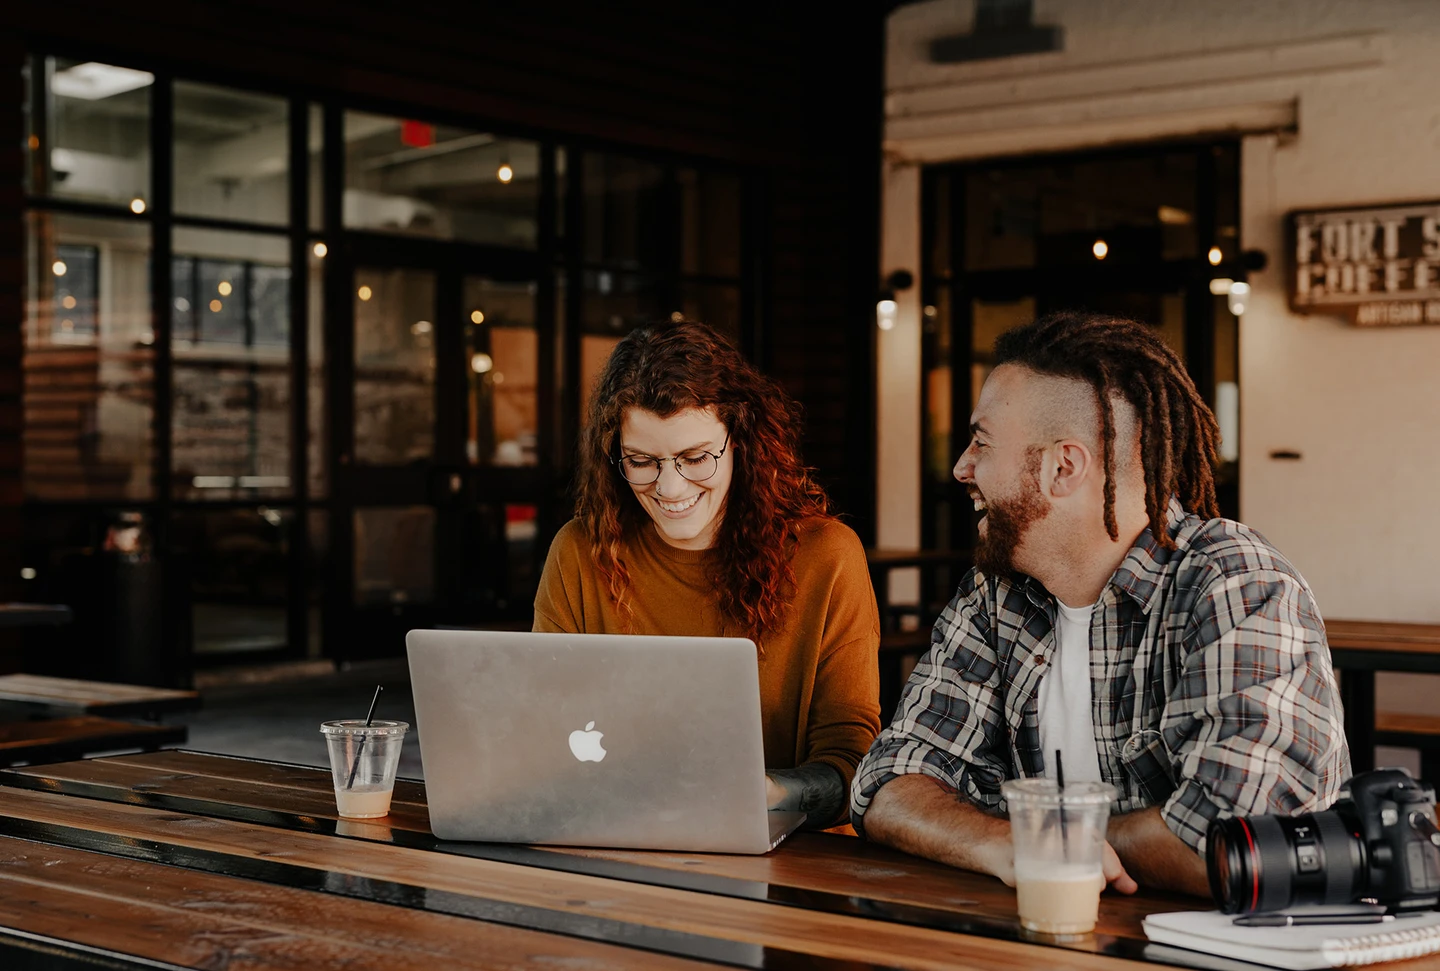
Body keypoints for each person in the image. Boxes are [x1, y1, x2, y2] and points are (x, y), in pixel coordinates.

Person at [850, 311, 1350, 896]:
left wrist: (1044, 841)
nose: (962, 466)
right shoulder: (996, 595)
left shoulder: (1236, 584)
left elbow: (1235, 839)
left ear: (1063, 467)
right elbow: (889, 782)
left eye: (981, 442)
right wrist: (1000, 843)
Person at [534, 320, 881, 828]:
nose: (670, 488)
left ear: (742, 442)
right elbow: (542, 730)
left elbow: (854, 760)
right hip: (612, 833)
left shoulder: (826, 557)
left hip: (790, 855)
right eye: (642, 461)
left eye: (695, 458)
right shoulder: (580, 552)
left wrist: (765, 792)